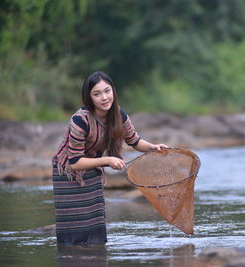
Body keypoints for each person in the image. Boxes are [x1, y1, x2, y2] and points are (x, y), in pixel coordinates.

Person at [52, 71, 168, 245]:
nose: (104, 97)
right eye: (97, 94)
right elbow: (74, 162)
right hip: (68, 173)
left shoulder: (119, 115)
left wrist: (153, 147)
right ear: (89, 98)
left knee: (95, 225)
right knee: (73, 229)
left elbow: (134, 141)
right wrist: (107, 160)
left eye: (107, 91)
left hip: (92, 169)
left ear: (113, 91)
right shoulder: (80, 120)